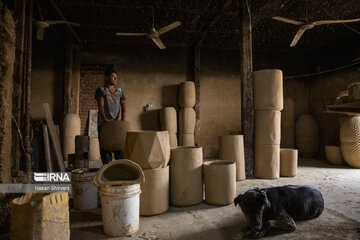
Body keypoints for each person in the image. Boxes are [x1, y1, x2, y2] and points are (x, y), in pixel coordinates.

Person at [95, 70, 127, 164]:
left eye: (116, 77)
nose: (115, 79)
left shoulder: (120, 91)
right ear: (107, 78)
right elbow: (101, 105)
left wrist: (123, 121)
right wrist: (104, 120)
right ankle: (106, 167)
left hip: (117, 123)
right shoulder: (101, 90)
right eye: (113, 76)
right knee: (105, 146)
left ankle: (119, 166)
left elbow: (124, 105)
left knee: (119, 146)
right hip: (104, 123)